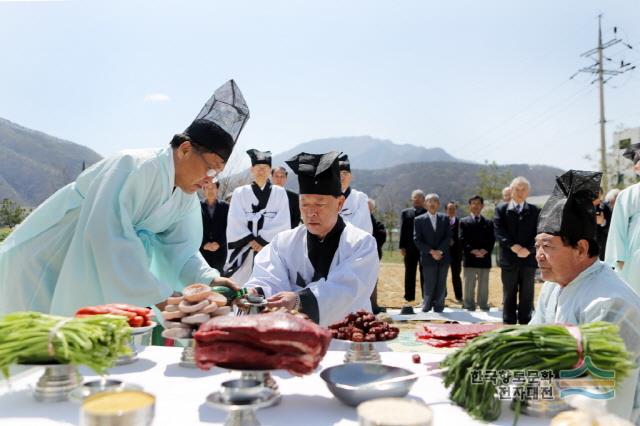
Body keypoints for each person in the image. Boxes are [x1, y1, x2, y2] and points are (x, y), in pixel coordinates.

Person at [0, 80, 248, 315]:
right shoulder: (133, 167)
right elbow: (108, 236)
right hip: (48, 257)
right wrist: (159, 296)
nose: (210, 180)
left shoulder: (185, 194)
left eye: (217, 174)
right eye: (211, 168)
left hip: (93, 265)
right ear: (185, 149)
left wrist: (209, 279)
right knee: (30, 343)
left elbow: (180, 250)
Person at [531, 169, 640, 422]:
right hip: (557, 405)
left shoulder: (612, 305)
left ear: (581, 248)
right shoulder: (552, 287)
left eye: (547, 246)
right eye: (536, 245)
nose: (538, 255)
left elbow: (605, 395)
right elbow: (534, 341)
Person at [243, 151, 379, 326]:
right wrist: (256, 293)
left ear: (340, 203)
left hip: (348, 338)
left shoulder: (361, 243)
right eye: (304, 204)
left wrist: (300, 300)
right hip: (296, 338)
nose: (311, 212)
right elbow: (267, 278)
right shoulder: (283, 242)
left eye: (320, 204)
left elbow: (347, 290)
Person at [224, 150, 290, 285]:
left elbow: (283, 221)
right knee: (241, 285)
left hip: (269, 247)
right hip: (245, 247)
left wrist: (261, 240)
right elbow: (234, 219)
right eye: (258, 167)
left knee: (269, 284)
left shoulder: (280, 192)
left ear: (269, 170)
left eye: (265, 168)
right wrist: (250, 240)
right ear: (251, 170)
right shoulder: (239, 192)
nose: (261, 170)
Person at [494, 176, 540, 324]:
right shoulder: (501, 209)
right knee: (509, 293)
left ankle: (526, 321)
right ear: (511, 190)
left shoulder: (535, 211)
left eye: (523, 189)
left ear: (528, 192)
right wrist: (513, 246)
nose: (520, 192)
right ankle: (508, 323)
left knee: (527, 293)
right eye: (517, 189)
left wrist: (529, 249)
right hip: (509, 258)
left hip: (528, 258)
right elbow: (498, 231)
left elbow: (539, 233)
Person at [605, 142, 640, 294]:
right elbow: (617, 231)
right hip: (635, 259)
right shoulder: (627, 195)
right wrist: (619, 262)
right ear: (636, 168)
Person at [413, 193, 451, 312]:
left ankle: (439, 306)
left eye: (435, 201)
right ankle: (427, 304)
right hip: (428, 256)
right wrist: (431, 252)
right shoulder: (419, 220)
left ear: (439, 204)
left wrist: (439, 251)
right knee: (429, 282)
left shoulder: (445, 218)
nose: (432, 203)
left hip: (443, 256)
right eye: (429, 201)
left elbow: (448, 237)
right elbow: (417, 239)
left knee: (441, 282)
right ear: (425, 204)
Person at [459, 195, 495, 311]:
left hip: (484, 257)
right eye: (473, 203)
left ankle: (483, 304)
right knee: (469, 283)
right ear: (469, 206)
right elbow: (462, 239)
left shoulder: (488, 222)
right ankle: (469, 305)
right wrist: (472, 250)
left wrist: (485, 250)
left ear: (482, 206)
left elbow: (492, 239)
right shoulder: (463, 222)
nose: (475, 206)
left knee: (483, 284)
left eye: (478, 203)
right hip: (470, 257)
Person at [399, 190, 426, 302]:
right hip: (409, 248)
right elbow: (402, 230)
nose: (417, 199)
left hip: (424, 248)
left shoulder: (427, 213)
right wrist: (402, 246)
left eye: (419, 197)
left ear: (424, 200)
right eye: (415, 197)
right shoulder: (406, 213)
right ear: (412, 199)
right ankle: (409, 297)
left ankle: (426, 297)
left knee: (424, 273)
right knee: (409, 272)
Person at [338, 154, 373, 234]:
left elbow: (364, 226)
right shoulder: (328, 197)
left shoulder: (359, 198)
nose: (342, 177)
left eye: (345, 174)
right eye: (339, 174)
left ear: (351, 177)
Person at [199, 180, 229, 272]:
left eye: (213, 187)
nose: (210, 190)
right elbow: (194, 228)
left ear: (217, 189)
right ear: (203, 189)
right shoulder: (197, 206)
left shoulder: (226, 207)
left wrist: (219, 243)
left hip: (220, 250)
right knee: (203, 275)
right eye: (207, 188)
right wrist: (203, 244)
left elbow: (229, 227)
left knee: (219, 277)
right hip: (202, 250)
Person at [368, 198, 387, 314]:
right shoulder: (356, 221)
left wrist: (369, 244)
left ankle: (373, 305)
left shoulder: (377, 223)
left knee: (373, 281)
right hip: (355, 257)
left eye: (369, 207)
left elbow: (382, 236)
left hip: (373, 256)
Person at [445, 201, 463, 302]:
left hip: (457, 254)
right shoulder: (442, 221)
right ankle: (443, 294)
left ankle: (459, 296)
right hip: (445, 253)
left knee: (456, 275)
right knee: (442, 275)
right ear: (446, 210)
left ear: (456, 210)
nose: (451, 211)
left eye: (453, 209)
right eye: (449, 209)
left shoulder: (461, 222)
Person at [593, 187, 612, 261]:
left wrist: (603, 222)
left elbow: (611, 228)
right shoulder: (583, 207)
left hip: (600, 245)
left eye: (598, 195)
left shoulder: (605, 208)